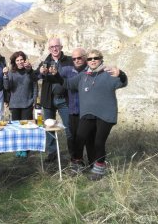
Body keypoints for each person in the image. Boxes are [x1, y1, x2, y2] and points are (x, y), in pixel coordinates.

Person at [51, 49, 128, 180]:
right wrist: (57, 75)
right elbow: (68, 84)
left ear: (101, 59)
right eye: (90, 59)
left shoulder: (109, 74)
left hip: (105, 115)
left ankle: (99, 168)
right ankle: (77, 164)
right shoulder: (83, 76)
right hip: (87, 114)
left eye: (95, 58)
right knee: (79, 139)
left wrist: (121, 74)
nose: (92, 61)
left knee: (98, 142)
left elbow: (123, 82)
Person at [54, 48, 95, 168]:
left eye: (79, 58)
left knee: (90, 138)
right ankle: (77, 162)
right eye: (74, 59)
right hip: (73, 110)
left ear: (85, 57)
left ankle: (93, 164)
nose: (76, 60)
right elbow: (57, 83)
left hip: (89, 112)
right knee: (76, 138)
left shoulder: (92, 71)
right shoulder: (67, 70)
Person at [38, 38, 73, 162]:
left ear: (61, 47)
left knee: (69, 127)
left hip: (64, 100)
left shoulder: (69, 61)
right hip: (48, 100)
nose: (54, 48)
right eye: (52, 47)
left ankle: (73, 154)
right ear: (49, 49)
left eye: (57, 46)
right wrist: (40, 72)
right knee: (49, 127)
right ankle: (52, 153)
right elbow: (35, 76)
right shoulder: (45, 61)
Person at [3, 51, 38, 158]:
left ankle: (25, 149)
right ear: (14, 62)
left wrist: (34, 101)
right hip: (15, 104)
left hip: (27, 104)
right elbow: (7, 87)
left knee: (26, 128)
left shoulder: (30, 71)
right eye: (17, 60)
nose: (19, 62)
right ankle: (18, 148)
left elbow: (35, 86)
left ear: (25, 60)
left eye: (21, 59)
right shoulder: (11, 72)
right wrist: (5, 75)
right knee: (16, 128)